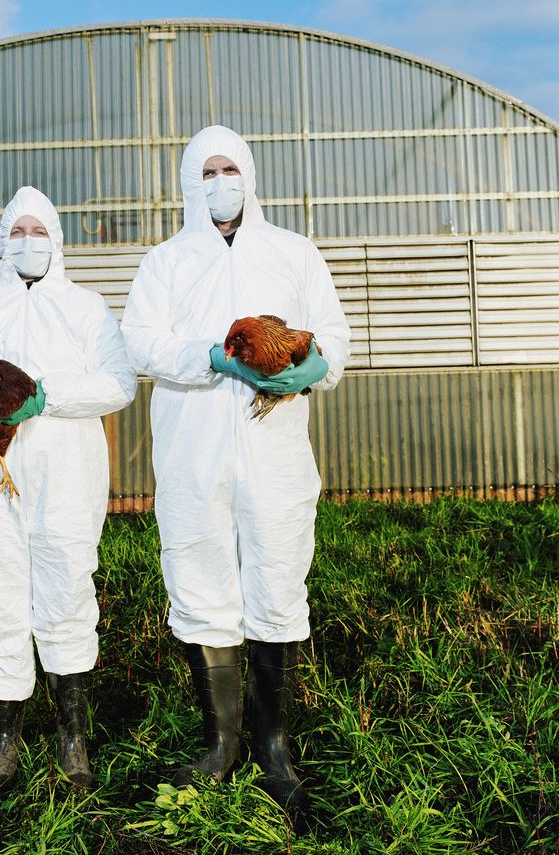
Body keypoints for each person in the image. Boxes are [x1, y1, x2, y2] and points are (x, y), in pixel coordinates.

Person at [120, 126, 350, 811]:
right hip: (193, 451)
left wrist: (315, 366)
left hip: (275, 453)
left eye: (231, 167)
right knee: (199, 580)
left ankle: (273, 745)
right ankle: (221, 744)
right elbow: (139, 341)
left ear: (250, 175)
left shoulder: (293, 252)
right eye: (207, 170)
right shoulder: (165, 262)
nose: (221, 180)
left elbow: (333, 336)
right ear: (189, 183)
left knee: (277, 579)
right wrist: (211, 357)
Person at [0, 186, 136, 791]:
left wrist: (46, 395)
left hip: (68, 478)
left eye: (40, 232)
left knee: (66, 595)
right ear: (2, 240)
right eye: (18, 232)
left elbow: (120, 384)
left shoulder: (88, 309)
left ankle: (73, 741)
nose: (29, 242)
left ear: (57, 241)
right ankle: (5, 742)